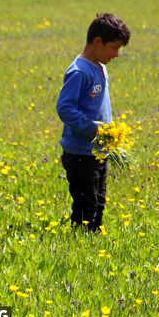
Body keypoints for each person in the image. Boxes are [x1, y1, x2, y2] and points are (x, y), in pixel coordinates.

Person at [56, 13, 131, 232]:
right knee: (85, 207)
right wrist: (95, 128)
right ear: (98, 42)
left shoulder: (101, 67)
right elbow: (65, 108)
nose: (116, 54)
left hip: (98, 151)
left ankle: (93, 245)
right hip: (80, 154)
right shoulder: (79, 71)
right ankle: (80, 247)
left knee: (98, 203)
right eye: (114, 48)